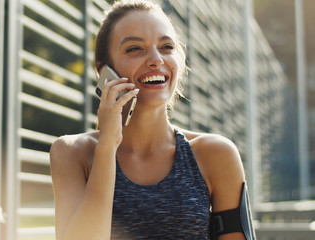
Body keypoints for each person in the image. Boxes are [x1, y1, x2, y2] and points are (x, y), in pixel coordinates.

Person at [50, 0, 255, 239]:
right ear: (104, 72)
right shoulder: (71, 153)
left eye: (167, 46)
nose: (156, 59)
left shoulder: (216, 154)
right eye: (135, 48)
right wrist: (107, 146)